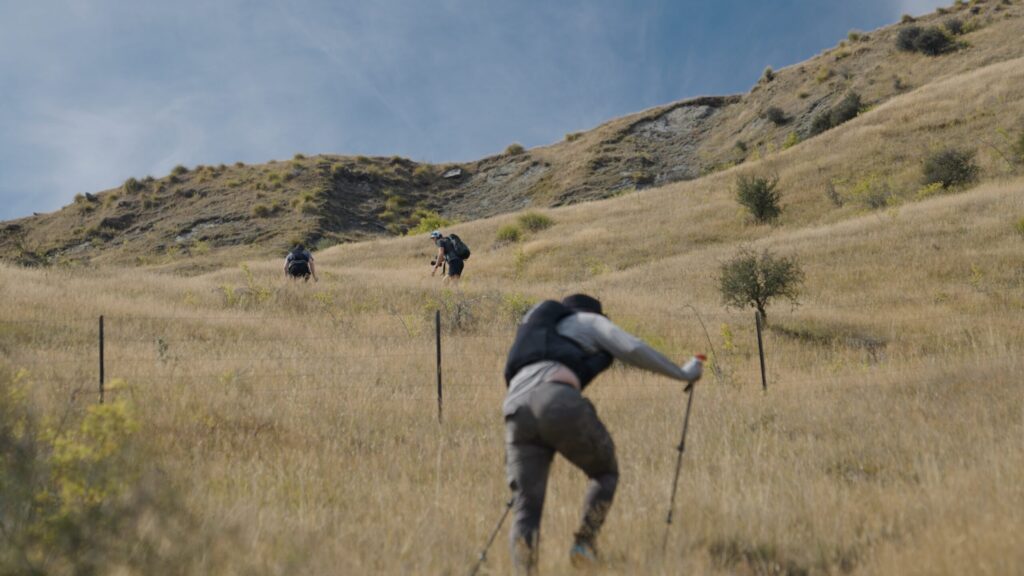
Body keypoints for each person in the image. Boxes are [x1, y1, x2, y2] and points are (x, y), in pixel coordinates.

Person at [502, 294, 704, 574]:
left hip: (514, 411)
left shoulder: (545, 328)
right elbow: (633, 349)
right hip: (555, 398)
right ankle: (584, 545)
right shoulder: (588, 320)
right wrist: (682, 374)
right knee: (605, 473)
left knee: (526, 508)